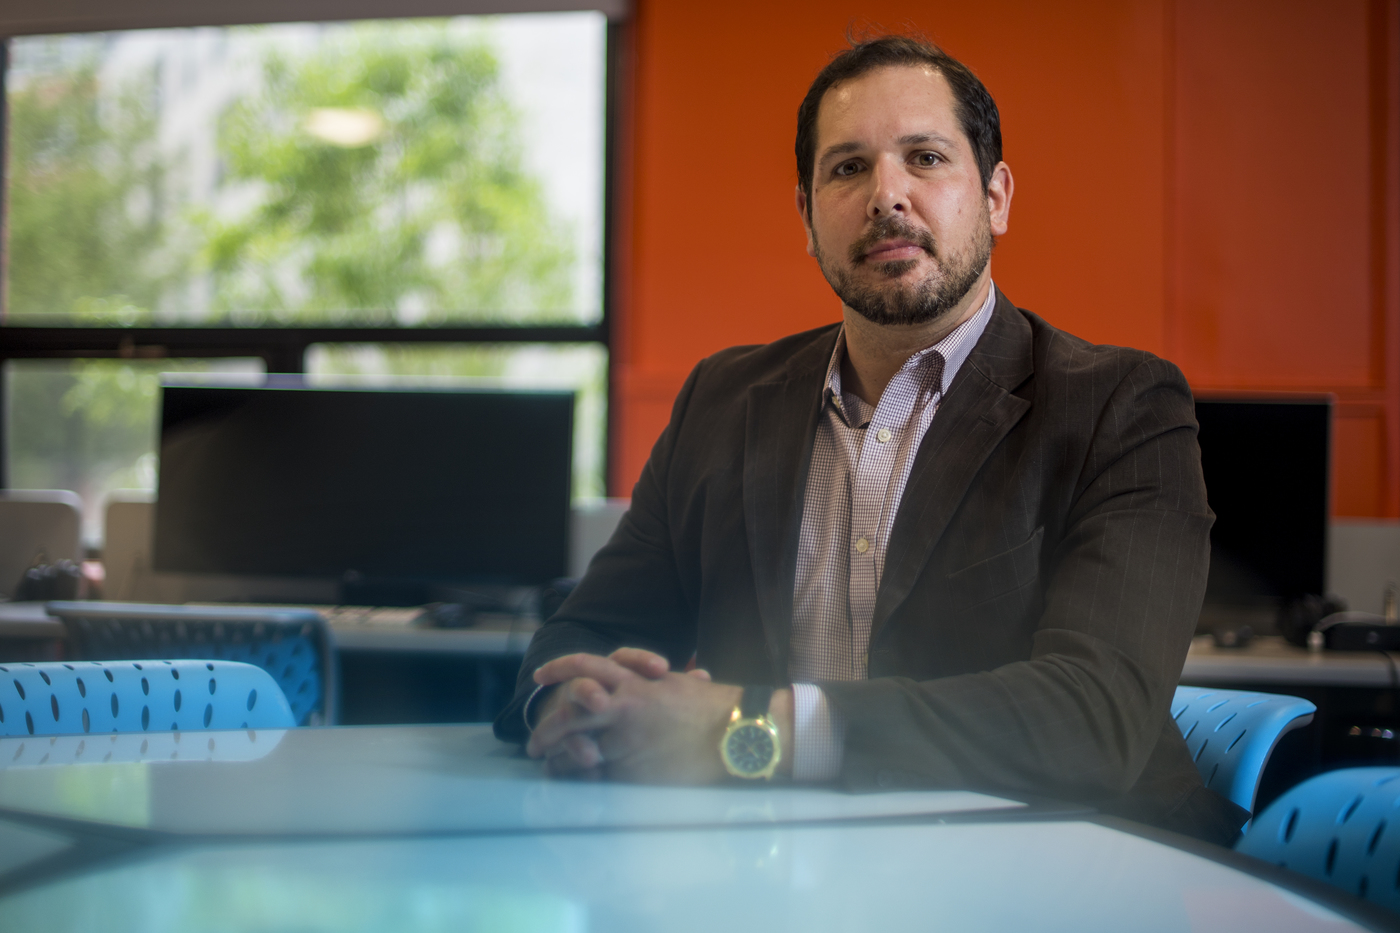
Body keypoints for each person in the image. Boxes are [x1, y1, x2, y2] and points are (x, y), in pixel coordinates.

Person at [494, 34, 1247, 845]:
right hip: (781, 866)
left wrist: (747, 731)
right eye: (847, 168)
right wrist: (572, 700)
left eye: (924, 158)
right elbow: (584, 634)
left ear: (995, 198)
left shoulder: (1121, 404)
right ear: (808, 218)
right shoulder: (723, 398)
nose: (886, 194)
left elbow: (1092, 720)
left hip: (1074, 865)